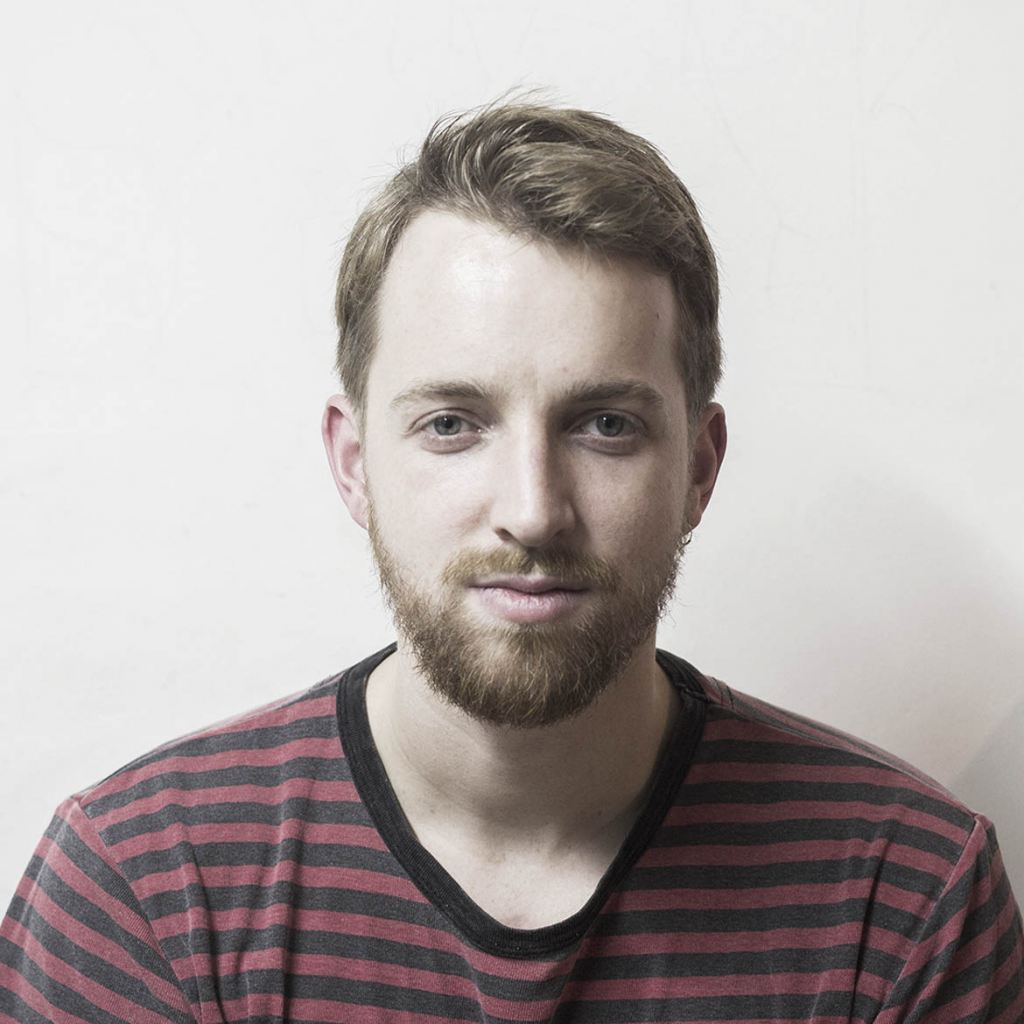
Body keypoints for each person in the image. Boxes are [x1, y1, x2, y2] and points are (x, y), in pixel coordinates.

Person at [1, 101, 1021, 1024]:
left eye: (605, 424)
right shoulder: (145, 888)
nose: (532, 511)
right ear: (355, 465)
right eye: (452, 423)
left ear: (699, 469)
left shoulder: (904, 896)